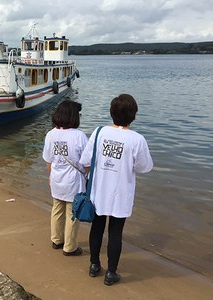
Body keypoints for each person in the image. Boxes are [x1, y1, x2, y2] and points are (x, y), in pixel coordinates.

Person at [79, 94, 153, 286]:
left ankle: (94, 265)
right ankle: (111, 273)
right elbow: (144, 167)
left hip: (98, 190)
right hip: (121, 193)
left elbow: (85, 161)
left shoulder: (99, 132)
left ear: (111, 113)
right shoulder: (137, 139)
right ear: (133, 115)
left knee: (97, 227)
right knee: (115, 232)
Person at [42, 100, 89, 256]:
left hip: (56, 178)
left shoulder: (51, 134)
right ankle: (69, 247)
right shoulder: (79, 136)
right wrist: (89, 177)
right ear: (73, 116)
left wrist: (50, 177)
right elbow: (86, 161)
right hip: (73, 181)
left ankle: (56, 240)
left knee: (56, 209)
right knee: (72, 213)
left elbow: (48, 160)